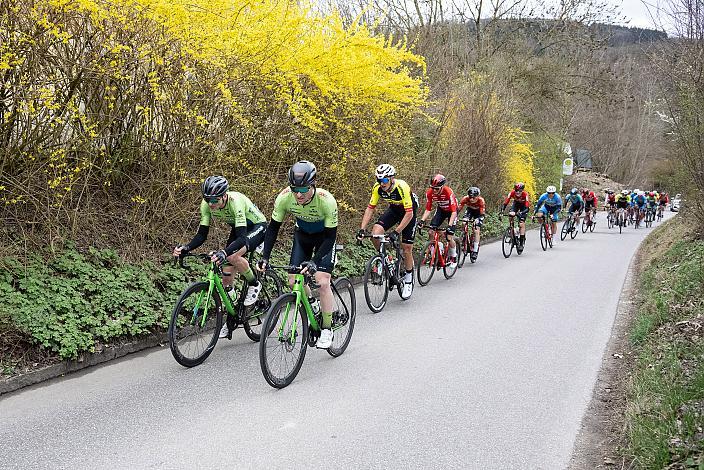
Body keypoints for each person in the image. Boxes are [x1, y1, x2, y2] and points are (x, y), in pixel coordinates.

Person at [173, 176, 267, 339]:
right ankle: (234, 312)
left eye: (215, 199)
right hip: (239, 228)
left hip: (256, 227)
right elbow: (202, 235)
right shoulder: (207, 205)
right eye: (207, 199)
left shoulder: (235, 202)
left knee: (231, 256)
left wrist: (224, 252)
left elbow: (242, 239)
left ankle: (254, 283)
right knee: (225, 279)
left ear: (224, 195)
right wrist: (187, 247)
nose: (211, 204)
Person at [257, 161, 339, 349]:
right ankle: (312, 303)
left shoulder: (326, 200)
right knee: (293, 281)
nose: (299, 194)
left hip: (324, 239)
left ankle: (327, 328)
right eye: (295, 189)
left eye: (303, 189)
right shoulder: (285, 197)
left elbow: (330, 238)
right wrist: (265, 256)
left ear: (313, 184)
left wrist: (315, 261)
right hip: (302, 236)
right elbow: (272, 229)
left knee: (322, 282)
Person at [358, 164, 418, 299]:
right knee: (375, 233)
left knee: (407, 248)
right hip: (394, 210)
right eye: (379, 180)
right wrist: (362, 229)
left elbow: (409, 214)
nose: (381, 183)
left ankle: (408, 278)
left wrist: (396, 232)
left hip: (409, 212)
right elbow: (370, 208)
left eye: (384, 180)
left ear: (391, 178)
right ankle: (387, 260)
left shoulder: (402, 187)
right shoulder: (377, 188)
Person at [418, 174, 459, 268]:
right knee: (431, 231)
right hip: (441, 210)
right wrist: (422, 221)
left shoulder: (448, 192)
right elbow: (428, 209)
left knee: (449, 237)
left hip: (452, 211)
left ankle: (453, 257)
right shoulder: (430, 193)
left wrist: (449, 226)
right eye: (433, 188)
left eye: (437, 188)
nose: (434, 190)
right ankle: (436, 254)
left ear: (442, 187)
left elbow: (453, 212)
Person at [457, 186, 485, 262]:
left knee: (476, 230)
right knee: (464, 222)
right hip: (469, 211)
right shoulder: (465, 199)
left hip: (478, 213)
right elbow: (458, 209)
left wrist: (478, 219)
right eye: (470, 197)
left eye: (474, 198)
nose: (471, 199)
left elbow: (482, 214)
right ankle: (465, 238)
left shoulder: (481, 201)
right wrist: (455, 216)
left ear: (478, 196)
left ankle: (475, 250)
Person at [501, 182, 530, 251]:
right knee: (511, 214)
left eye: (519, 191)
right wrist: (502, 211)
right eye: (516, 190)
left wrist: (521, 213)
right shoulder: (512, 193)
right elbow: (506, 202)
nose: (517, 192)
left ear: (522, 190)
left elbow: (527, 208)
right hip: (516, 204)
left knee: (521, 224)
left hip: (524, 207)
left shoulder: (525, 194)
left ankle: (521, 243)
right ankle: (512, 230)